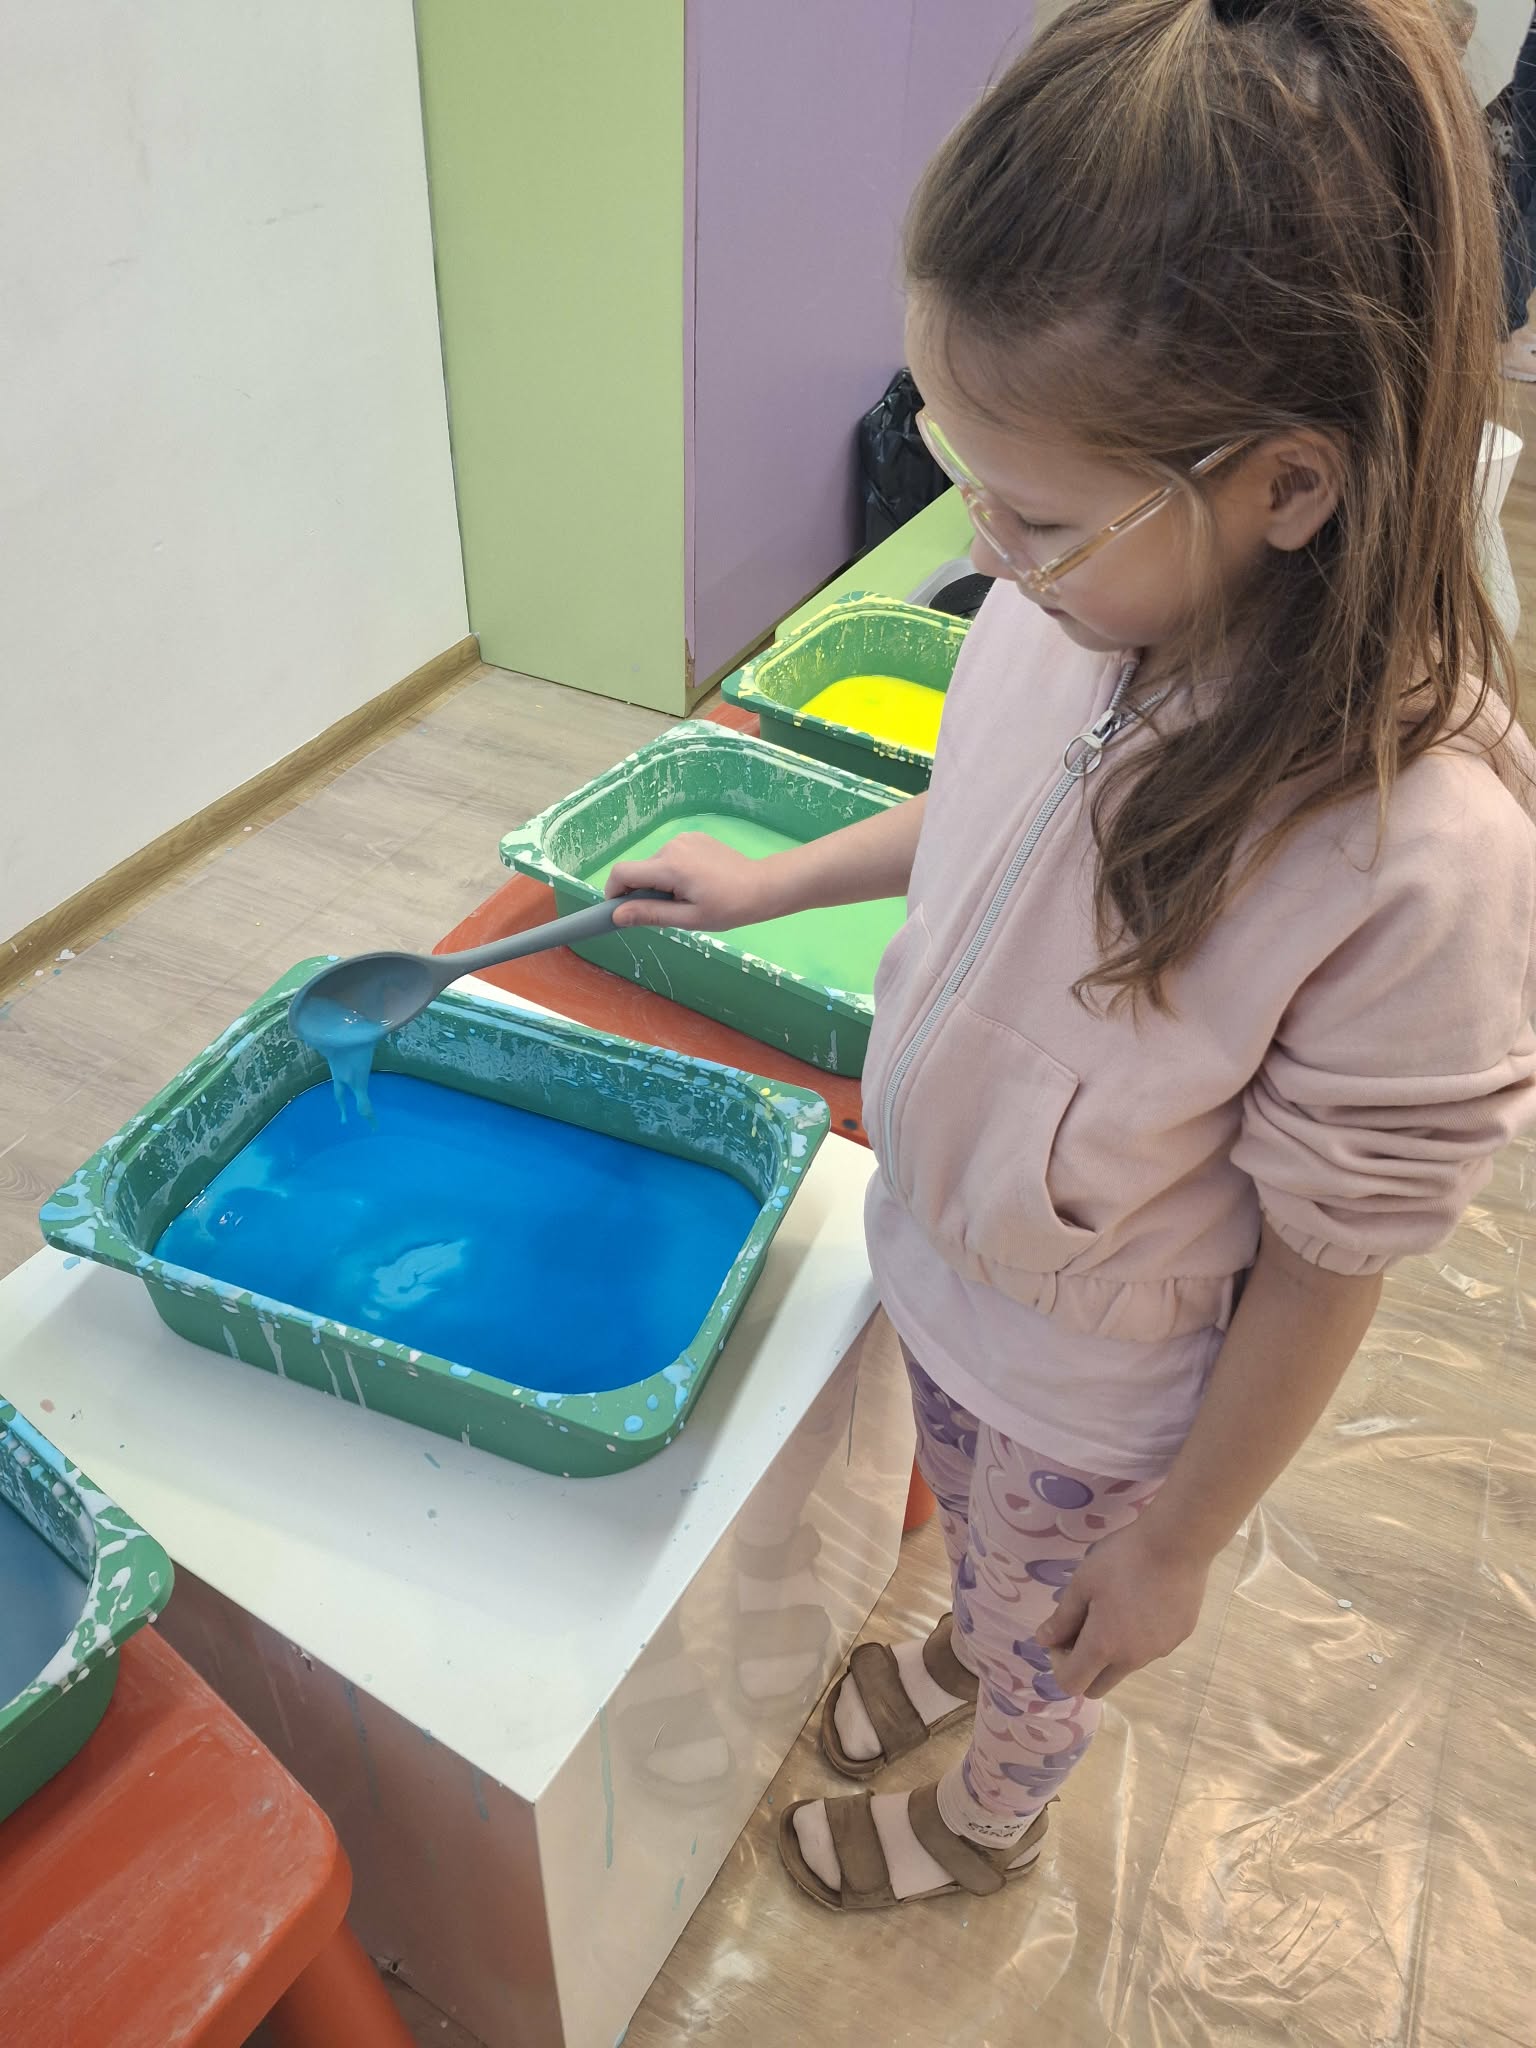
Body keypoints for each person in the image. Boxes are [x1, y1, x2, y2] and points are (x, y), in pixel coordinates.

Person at [610, 0, 1536, 1914]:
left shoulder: (1415, 860)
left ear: (1288, 484)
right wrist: (777, 883)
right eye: (975, 475)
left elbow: (1330, 1264)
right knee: (995, 1558)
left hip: (1101, 1396)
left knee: (1064, 1626)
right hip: (953, 1270)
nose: (984, 543)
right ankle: (979, 1630)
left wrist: (1179, 1543)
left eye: (1029, 509)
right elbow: (986, 813)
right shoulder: (1069, 609)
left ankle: (994, 1810)